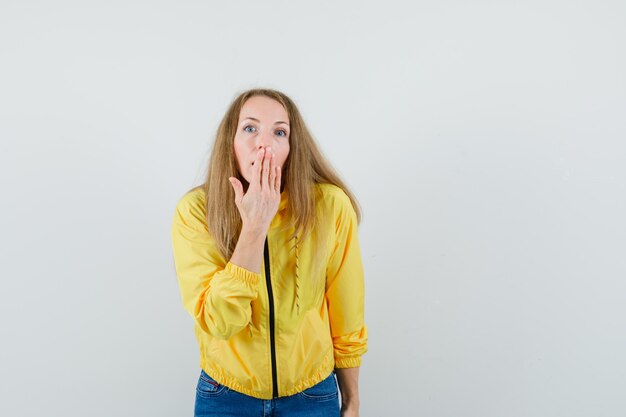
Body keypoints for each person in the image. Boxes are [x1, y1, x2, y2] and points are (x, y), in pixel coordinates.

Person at [171, 88, 368, 417]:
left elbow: (347, 312)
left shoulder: (331, 206)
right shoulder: (195, 211)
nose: (264, 144)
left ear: (291, 148)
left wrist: (352, 399)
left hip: (312, 395)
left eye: (279, 132)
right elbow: (218, 322)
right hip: (225, 394)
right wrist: (254, 226)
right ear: (230, 142)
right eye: (250, 128)